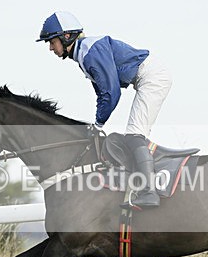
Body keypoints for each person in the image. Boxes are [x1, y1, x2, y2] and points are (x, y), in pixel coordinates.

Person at [37, 11, 172, 208]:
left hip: (152, 77)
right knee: (135, 135)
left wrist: (98, 123)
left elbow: (111, 92)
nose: (50, 48)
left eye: (52, 41)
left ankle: (149, 192)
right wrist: (97, 122)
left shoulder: (90, 52)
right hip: (148, 77)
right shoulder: (84, 53)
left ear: (67, 36)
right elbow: (103, 95)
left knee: (135, 136)